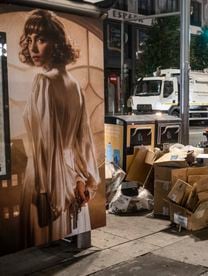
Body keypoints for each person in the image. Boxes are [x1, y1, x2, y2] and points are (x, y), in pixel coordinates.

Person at [18, 9, 100, 247]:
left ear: (57, 43)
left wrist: (45, 191)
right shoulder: (74, 85)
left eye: (41, 40)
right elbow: (83, 142)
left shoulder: (43, 82)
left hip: (44, 179)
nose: (33, 48)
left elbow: (45, 144)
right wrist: (81, 178)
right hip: (70, 176)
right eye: (30, 40)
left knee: (39, 241)